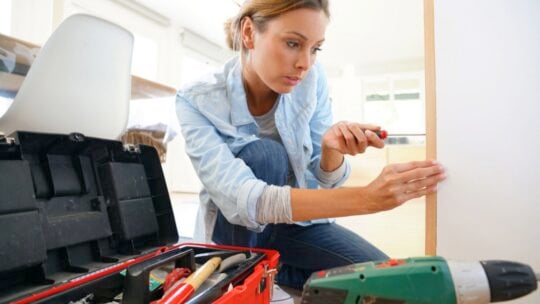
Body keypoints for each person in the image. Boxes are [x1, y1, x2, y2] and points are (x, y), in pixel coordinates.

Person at [176, 0, 445, 290]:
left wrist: (330, 151)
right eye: (293, 43)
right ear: (249, 33)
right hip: (241, 232)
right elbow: (246, 200)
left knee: (392, 285)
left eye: (315, 48)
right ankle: (246, 273)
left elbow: (323, 181)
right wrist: (366, 198)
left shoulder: (312, 79)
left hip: (297, 222)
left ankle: (277, 271)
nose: (305, 63)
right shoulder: (195, 101)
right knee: (266, 156)